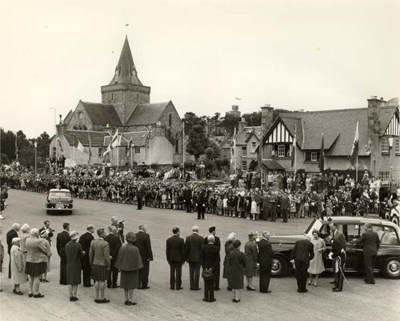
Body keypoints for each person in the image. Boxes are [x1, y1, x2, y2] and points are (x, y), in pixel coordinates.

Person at [115, 232, 143, 306]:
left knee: (125, 284)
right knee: (131, 285)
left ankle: (126, 299)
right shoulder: (135, 248)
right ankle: (130, 299)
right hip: (133, 269)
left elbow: (119, 258)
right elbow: (138, 259)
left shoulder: (122, 248)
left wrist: (119, 267)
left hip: (124, 268)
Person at [25, 228, 51, 298]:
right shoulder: (38, 241)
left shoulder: (27, 240)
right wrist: (47, 254)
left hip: (29, 260)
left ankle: (30, 291)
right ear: (36, 234)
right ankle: (36, 292)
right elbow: (44, 249)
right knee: (37, 276)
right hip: (37, 261)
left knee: (30, 276)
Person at [89, 228, 111, 304]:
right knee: (102, 281)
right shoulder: (105, 243)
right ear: (101, 234)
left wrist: (91, 262)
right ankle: (102, 297)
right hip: (102, 264)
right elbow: (106, 256)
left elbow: (91, 254)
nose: (105, 234)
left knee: (96, 280)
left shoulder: (93, 242)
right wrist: (108, 265)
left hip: (95, 263)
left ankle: (97, 297)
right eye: (104, 232)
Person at [65, 231, 84, 301]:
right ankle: (74, 295)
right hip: (76, 264)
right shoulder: (78, 245)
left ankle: (70, 295)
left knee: (70, 281)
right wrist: (83, 253)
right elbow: (81, 255)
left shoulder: (67, 245)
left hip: (69, 264)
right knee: (75, 282)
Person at [134, 224, 153, 290]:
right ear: (143, 228)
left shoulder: (135, 235)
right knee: (145, 271)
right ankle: (144, 285)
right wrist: (149, 257)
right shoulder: (146, 236)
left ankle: (137, 284)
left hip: (136, 256)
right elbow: (148, 247)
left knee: (137, 271)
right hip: (144, 256)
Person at [200, 235, 219, 302]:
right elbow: (217, 260)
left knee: (206, 283)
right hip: (212, 268)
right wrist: (212, 268)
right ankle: (211, 297)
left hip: (205, 267)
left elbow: (201, 259)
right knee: (211, 283)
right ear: (213, 240)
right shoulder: (216, 248)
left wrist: (204, 267)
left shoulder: (203, 247)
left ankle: (205, 297)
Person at [329, 222, 346, 292]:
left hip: (339, 256)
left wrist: (339, 254)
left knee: (340, 271)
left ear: (335, 226)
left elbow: (343, 246)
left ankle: (339, 287)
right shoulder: (333, 233)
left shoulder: (340, 234)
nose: (330, 228)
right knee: (336, 270)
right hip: (336, 254)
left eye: (331, 227)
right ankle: (337, 282)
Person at [185, 225, 203, 290]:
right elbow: (202, 249)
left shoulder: (188, 238)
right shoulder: (201, 238)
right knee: (197, 272)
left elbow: (186, 249)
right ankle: (196, 286)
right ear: (198, 230)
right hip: (198, 258)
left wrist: (186, 258)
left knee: (191, 271)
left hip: (190, 257)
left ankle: (191, 285)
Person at [203, 226, 221, 290]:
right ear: (213, 231)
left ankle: (208, 284)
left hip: (207, 259)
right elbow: (219, 248)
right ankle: (216, 285)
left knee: (208, 272)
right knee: (216, 273)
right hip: (215, 258)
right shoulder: (217, 239)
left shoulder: (205, 238)